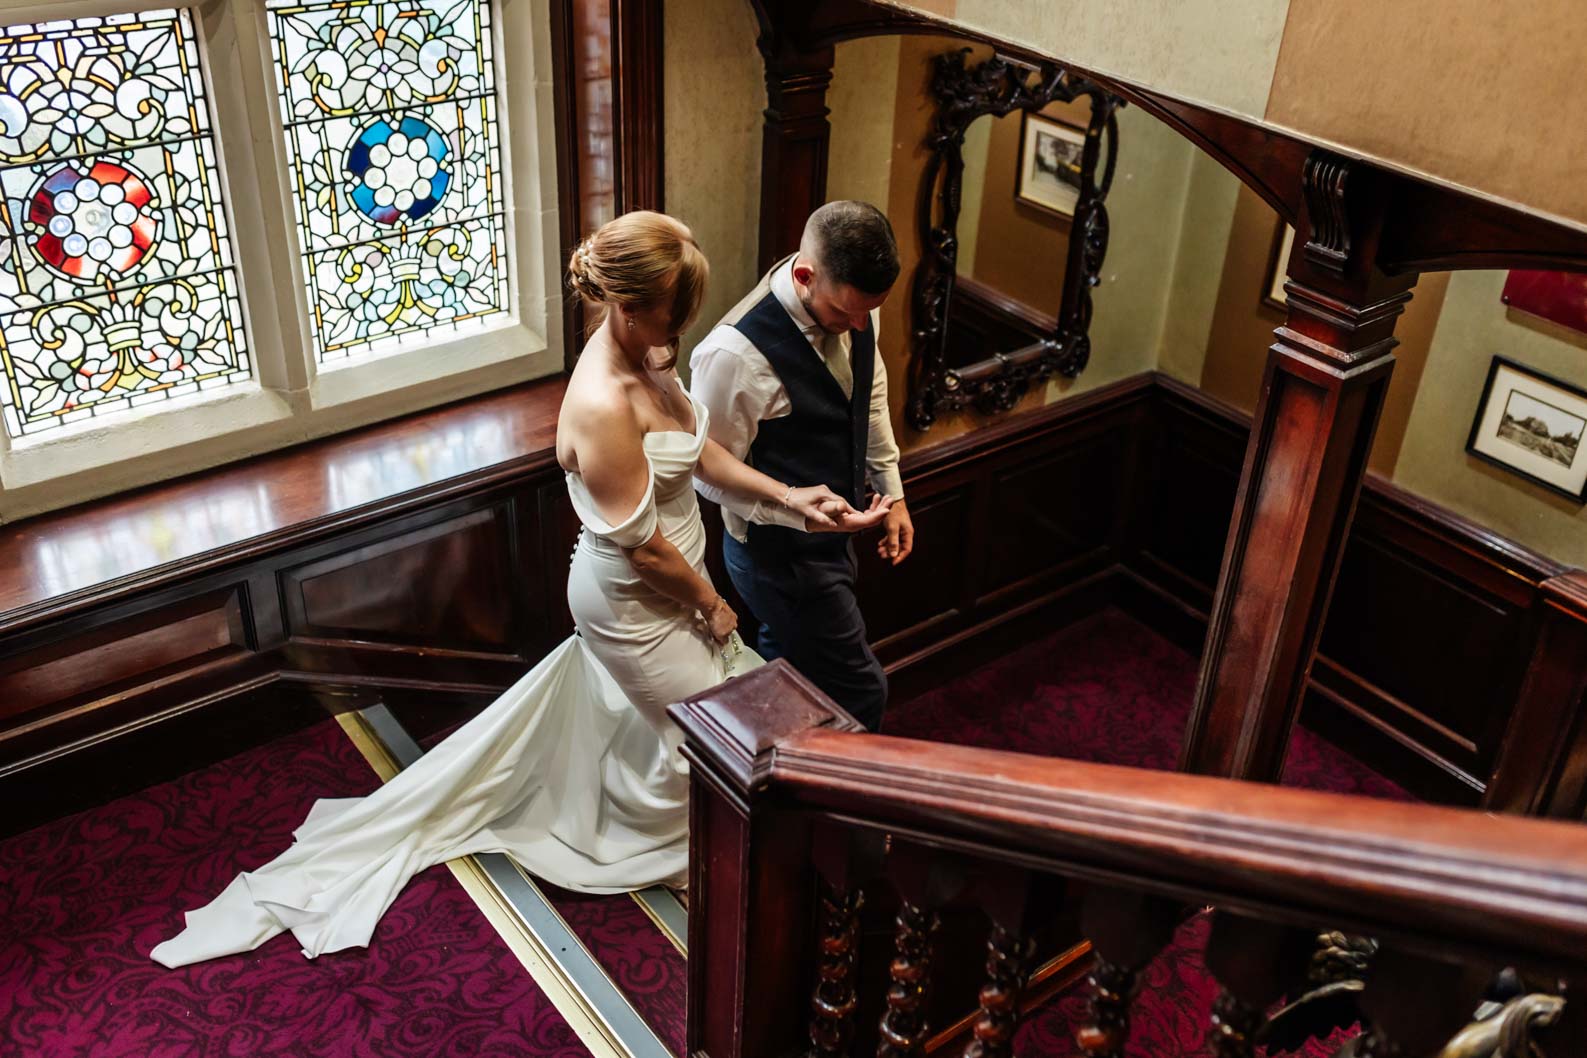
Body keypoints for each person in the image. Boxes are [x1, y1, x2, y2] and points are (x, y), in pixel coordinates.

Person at [150, 211, 889, 968]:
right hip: (637, 598)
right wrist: (710, 605)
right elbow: (638, 547)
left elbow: (697, 453)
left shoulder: (653, 352)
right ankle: (684, 857)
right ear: (626, 305)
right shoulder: (602, 403)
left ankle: (635, 824)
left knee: (670, 721)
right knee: (700, 732)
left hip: (683, 570)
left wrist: (788, 496)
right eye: (675, 313)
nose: (683, 329)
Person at [690, 201, 913, 732]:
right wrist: (797, 511)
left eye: (869, 312)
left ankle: (781, 779)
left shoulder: (854, 298)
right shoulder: (734, 355)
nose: (858, 326)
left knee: (785, 670)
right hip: (777, 557)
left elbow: (870, 400)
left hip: (832, 541)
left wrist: (894, 492)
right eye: (845, 314)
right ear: (806, 274)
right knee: (861, 689)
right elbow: (705, 470)